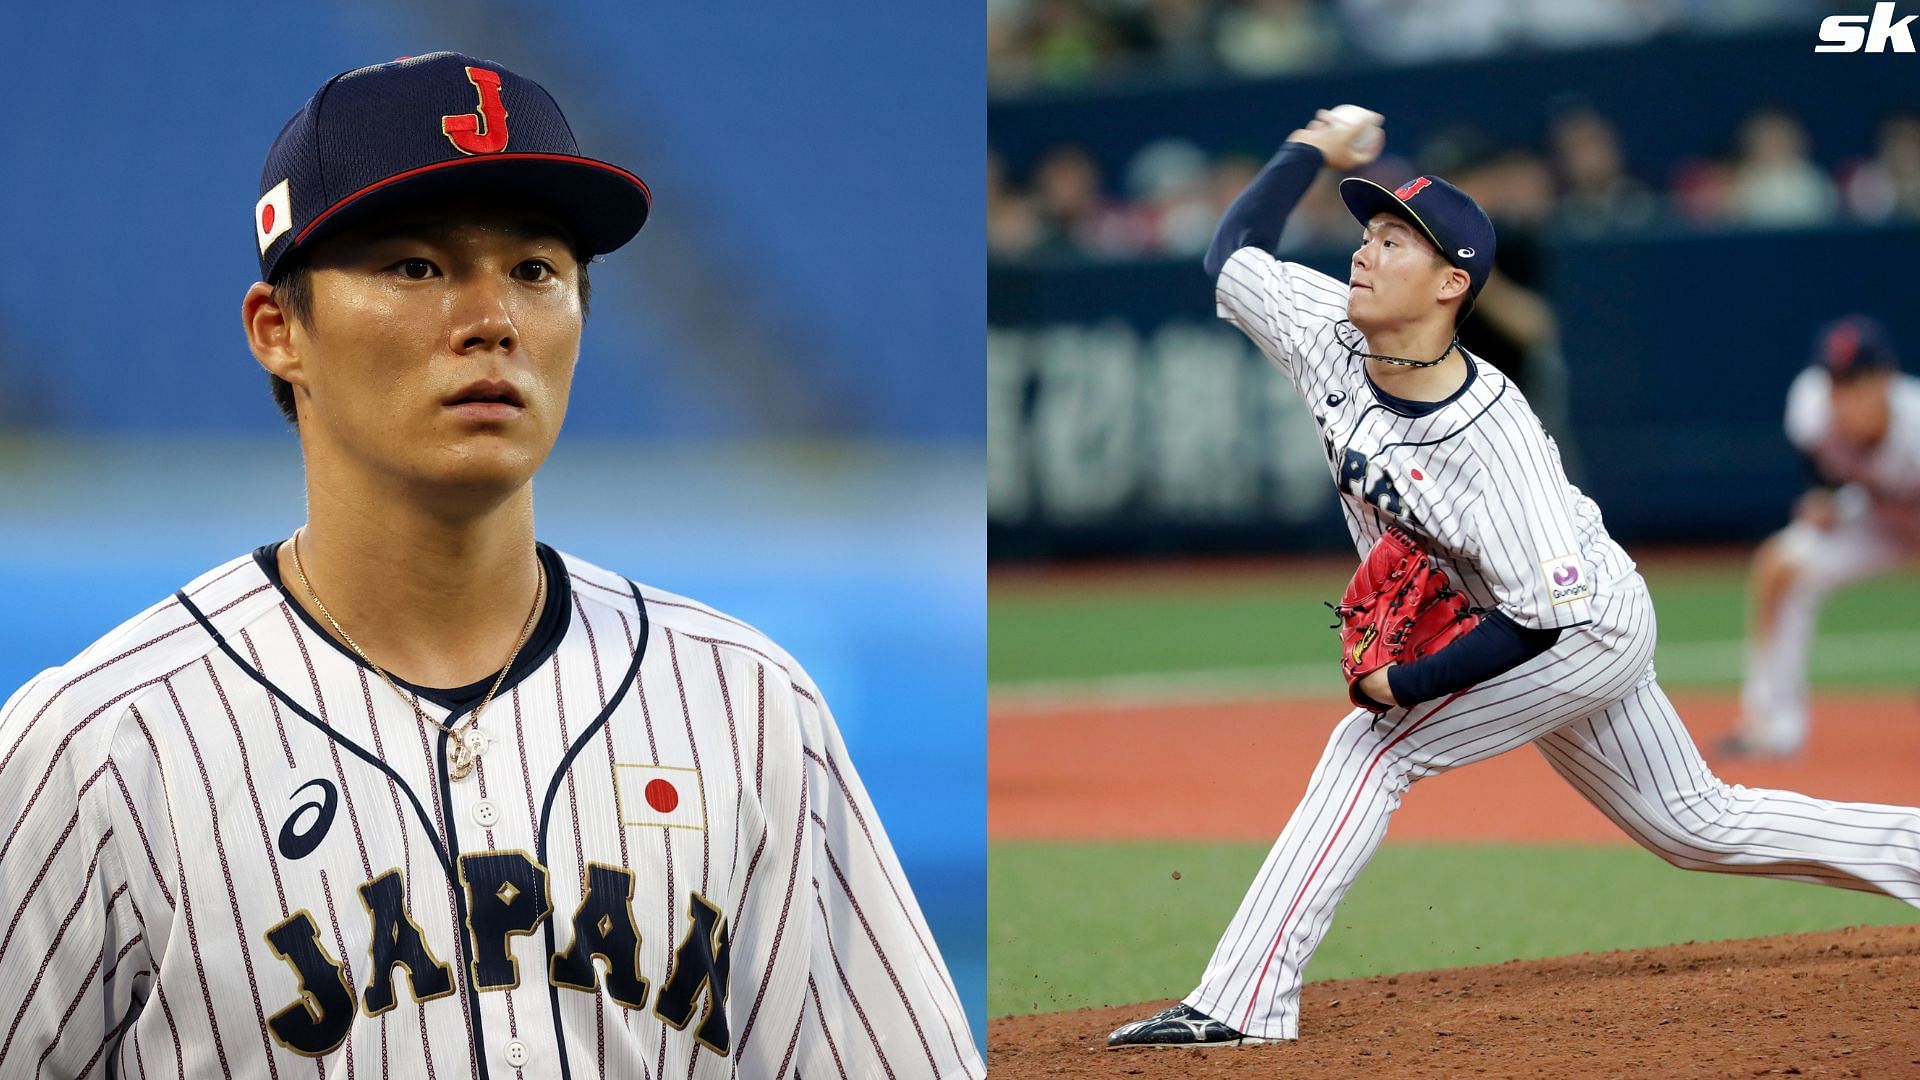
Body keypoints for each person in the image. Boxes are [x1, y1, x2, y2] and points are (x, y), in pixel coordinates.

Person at [0, 52, 982, 1079]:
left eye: (535, 271)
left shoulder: (750, 706)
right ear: (278, 330)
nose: (492, 321)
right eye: (416, 267)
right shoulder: (102, 746)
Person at [1106, 105, 1920, 1048]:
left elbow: (1537, 621)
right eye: (1366, 234)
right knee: (1695, 823)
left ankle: (1240, 1006)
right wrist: (1311, 151)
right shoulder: (1324, 327)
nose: (1364, 255)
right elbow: (1233, 252)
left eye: (1394, 243)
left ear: (1453, 285)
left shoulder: (1492, 438)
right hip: (1529, 611)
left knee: (1373, 748)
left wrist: (1398, 684)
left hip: (1581, 627)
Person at [1726, 316, 1920, 758]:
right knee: (1781, 565)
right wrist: (1823, 497)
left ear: (1886, 380)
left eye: (1854, 382)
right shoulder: (1810, 403)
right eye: (1835, 381)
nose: (1841, 395)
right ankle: (1772, 723)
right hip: (1878, 519)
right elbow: (1817, 468)